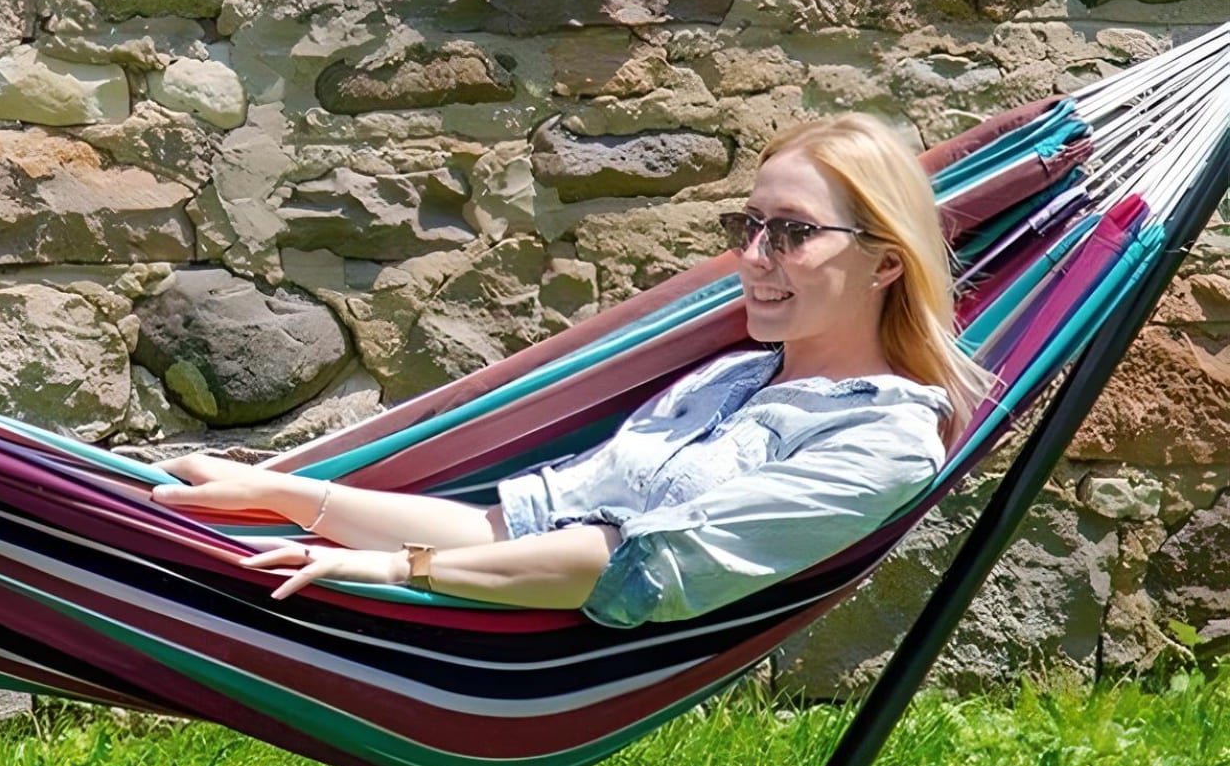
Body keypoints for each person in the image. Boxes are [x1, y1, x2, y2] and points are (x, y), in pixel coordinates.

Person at [150, 114, 990, 628]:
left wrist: (400, 571)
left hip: (523, 676)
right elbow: (524, 525)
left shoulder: (883, 440)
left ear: (885, 264)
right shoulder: (723, 381)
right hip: (492, 607)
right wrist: (292, 497)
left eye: (793, 234)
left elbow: (634, 566)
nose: (755, 258)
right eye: (749, 226)